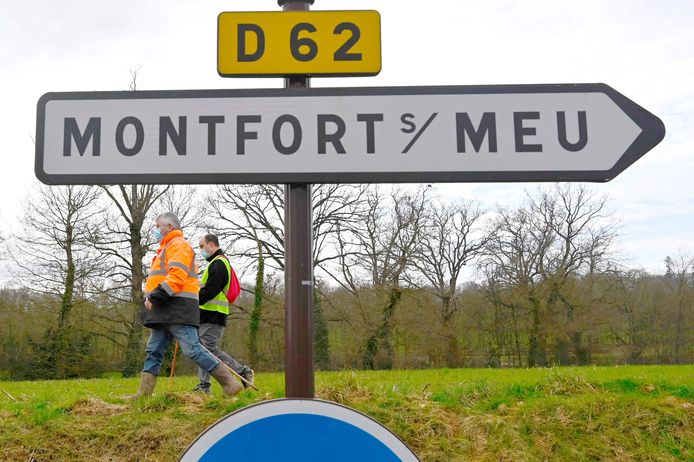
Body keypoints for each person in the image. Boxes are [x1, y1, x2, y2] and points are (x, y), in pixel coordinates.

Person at [126, 213, 242, 399]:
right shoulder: (166, 248)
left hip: (177, 310)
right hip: (164, 311)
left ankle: (229, 383)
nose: (155, 230)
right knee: (153, 350)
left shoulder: (179, 246)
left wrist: (154, 297)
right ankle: (143, 394)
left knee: (193, 349)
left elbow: (176, 278)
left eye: (157, 226)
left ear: (169, 227)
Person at [193, 234, 254, 394]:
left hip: (214, 314)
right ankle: (204, 386)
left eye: (201, 246)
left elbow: (210, 290)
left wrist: (193, 298)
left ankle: (242, 371)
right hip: (209, 314)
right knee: (204, 349)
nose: (200, 250)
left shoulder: (219, 263)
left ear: (211, 244)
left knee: (207, 349)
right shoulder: (216, 262)